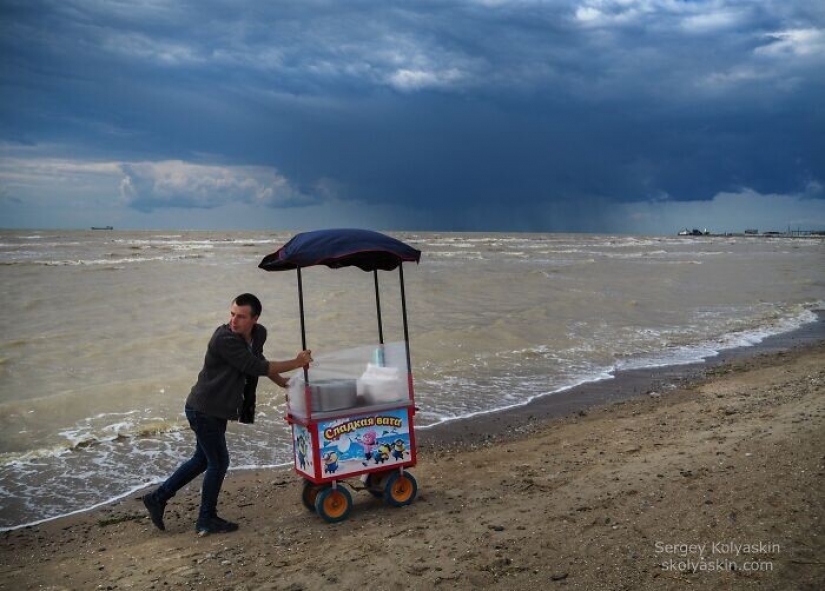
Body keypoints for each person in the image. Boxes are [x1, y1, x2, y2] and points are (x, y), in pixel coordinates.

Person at [142, 293, 312, 536]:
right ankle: (205, 519)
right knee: (219, 462)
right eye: (232, 314)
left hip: (216, 410)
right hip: (202, 409)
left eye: (241, 316)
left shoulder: (259, 334)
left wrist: (282, 382)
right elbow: (255, 367)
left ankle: (157, 498)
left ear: (255, 318)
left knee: (203, 459)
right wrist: (296, 362)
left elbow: (258, 359)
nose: (234, 320)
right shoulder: (223, 339)